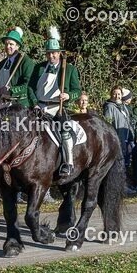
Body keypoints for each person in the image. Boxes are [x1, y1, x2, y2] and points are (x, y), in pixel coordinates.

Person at [27, 26, 82, 175]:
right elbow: (30, 87)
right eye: (48, 53)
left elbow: (77, 91)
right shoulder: (38, 68)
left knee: (65, 131)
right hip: (38, 107)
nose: (51, 56)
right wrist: (34, 103)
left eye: (54, 53)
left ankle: (68, 163)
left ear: (59, 53)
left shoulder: (69, 69)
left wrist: (68, 95)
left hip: (57, 107)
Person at [0, 26, 35, 108]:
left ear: (17, 46)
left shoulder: (26, 62)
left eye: (11, 44)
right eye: (6, 44)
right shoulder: (2, 63)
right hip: (0, 105)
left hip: (17, 107)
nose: (8, 46)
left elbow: (28, 85)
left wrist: (10, 91)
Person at [103, 87, 135, 190]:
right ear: (111, 94)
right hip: (117, 139)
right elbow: (107, 124)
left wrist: (131, 137)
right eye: (115, 94)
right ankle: (118, 186)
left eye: (119, 94)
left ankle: (124, 184)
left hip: (126, 138)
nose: (117, 96)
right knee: (118, 163)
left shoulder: (124, 106)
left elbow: (128, 122)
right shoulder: (109, 107)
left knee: (125, 163)